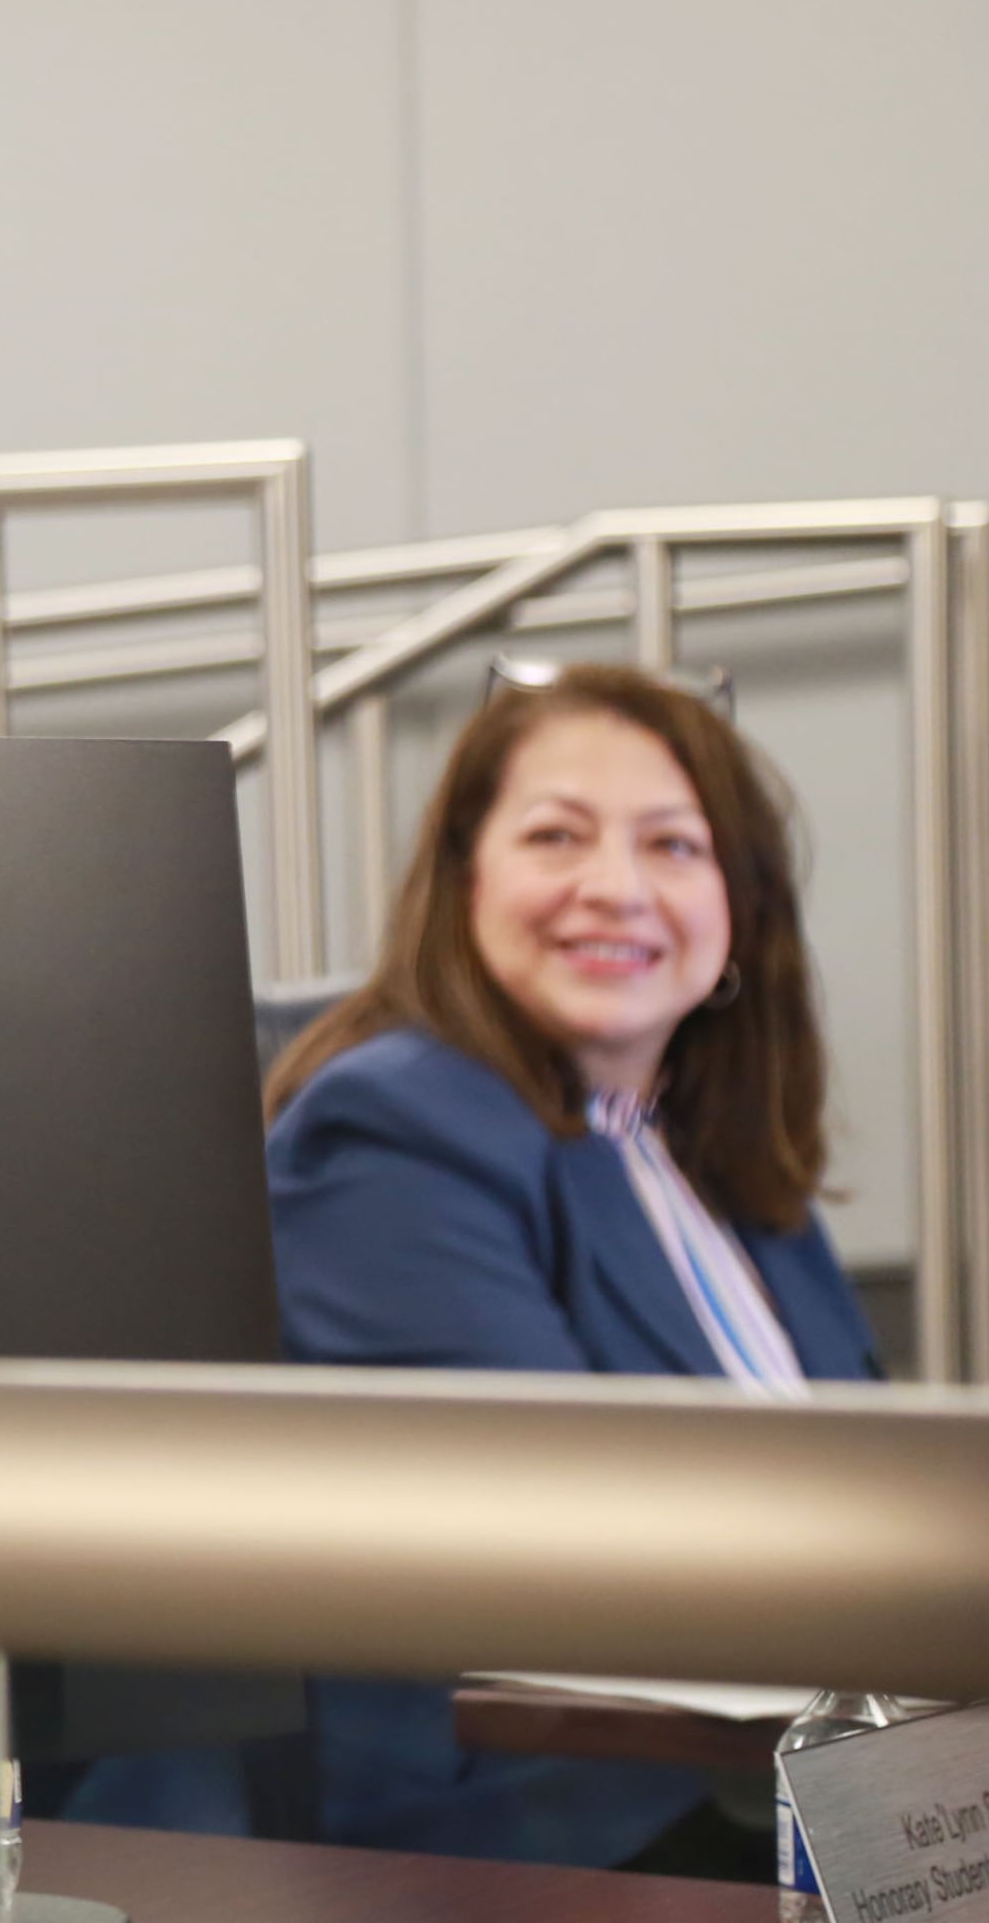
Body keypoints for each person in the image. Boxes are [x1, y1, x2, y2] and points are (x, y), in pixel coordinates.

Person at [262, 660, 881, 1868]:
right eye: (556, 834)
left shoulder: (721, 1161)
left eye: (673, 846)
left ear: (739, 909)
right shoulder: (396, 1125)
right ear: (464, 880)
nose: (615, 888)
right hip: (547, 1828)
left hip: (791, 1794)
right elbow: (568, 1517)